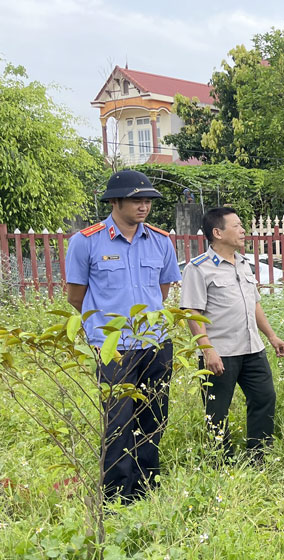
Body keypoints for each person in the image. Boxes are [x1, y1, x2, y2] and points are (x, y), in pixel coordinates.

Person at [65, 170, 182, 504]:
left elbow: (162, 290)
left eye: (147, 200)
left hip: (155, 343)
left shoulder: (160, 240)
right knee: (117, 422)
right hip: (113, 348)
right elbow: (76, 297)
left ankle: (146, 489)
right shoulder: (87, 241)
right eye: (135, 200)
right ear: (115, 201)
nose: (143, 206)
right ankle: (117, 496)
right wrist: (102, 333)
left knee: (154, 418)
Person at [179, 206, 284, 463]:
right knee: (216, 411)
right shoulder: (198, 268)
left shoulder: (244, 263)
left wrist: (271, 336)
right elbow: (192, 312)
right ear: (217, 232)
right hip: (220, 352)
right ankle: (221, 462)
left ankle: (258, 457)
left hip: (252, 349)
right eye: (236, 226)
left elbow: (255, 303)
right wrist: (207, 350)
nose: (243, 231)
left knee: (264, 398)